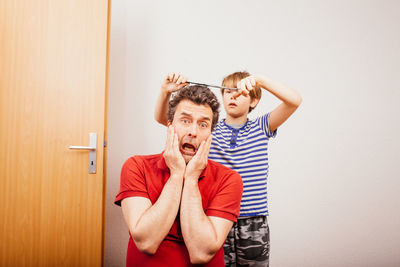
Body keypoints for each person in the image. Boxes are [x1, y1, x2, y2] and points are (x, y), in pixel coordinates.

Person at [154, 71, 302, 266]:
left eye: (241, 92)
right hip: (215, 216)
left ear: (254, 101)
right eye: (227, 91)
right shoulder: (210, 130)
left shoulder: (262, 126)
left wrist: (261, 81)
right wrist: (165, 92)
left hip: (253, 220)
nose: (233, 95)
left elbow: (295, 101)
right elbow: (163, 118)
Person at [115, 84, 243, 267]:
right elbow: (146, 242)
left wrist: (190, 179)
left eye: (203, 124)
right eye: (185, 120)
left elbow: (201, 252)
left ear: (210, 134)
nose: (193, 131)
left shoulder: (229, 180)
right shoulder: (136, 166)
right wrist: (177, 175)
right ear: (170, 126)